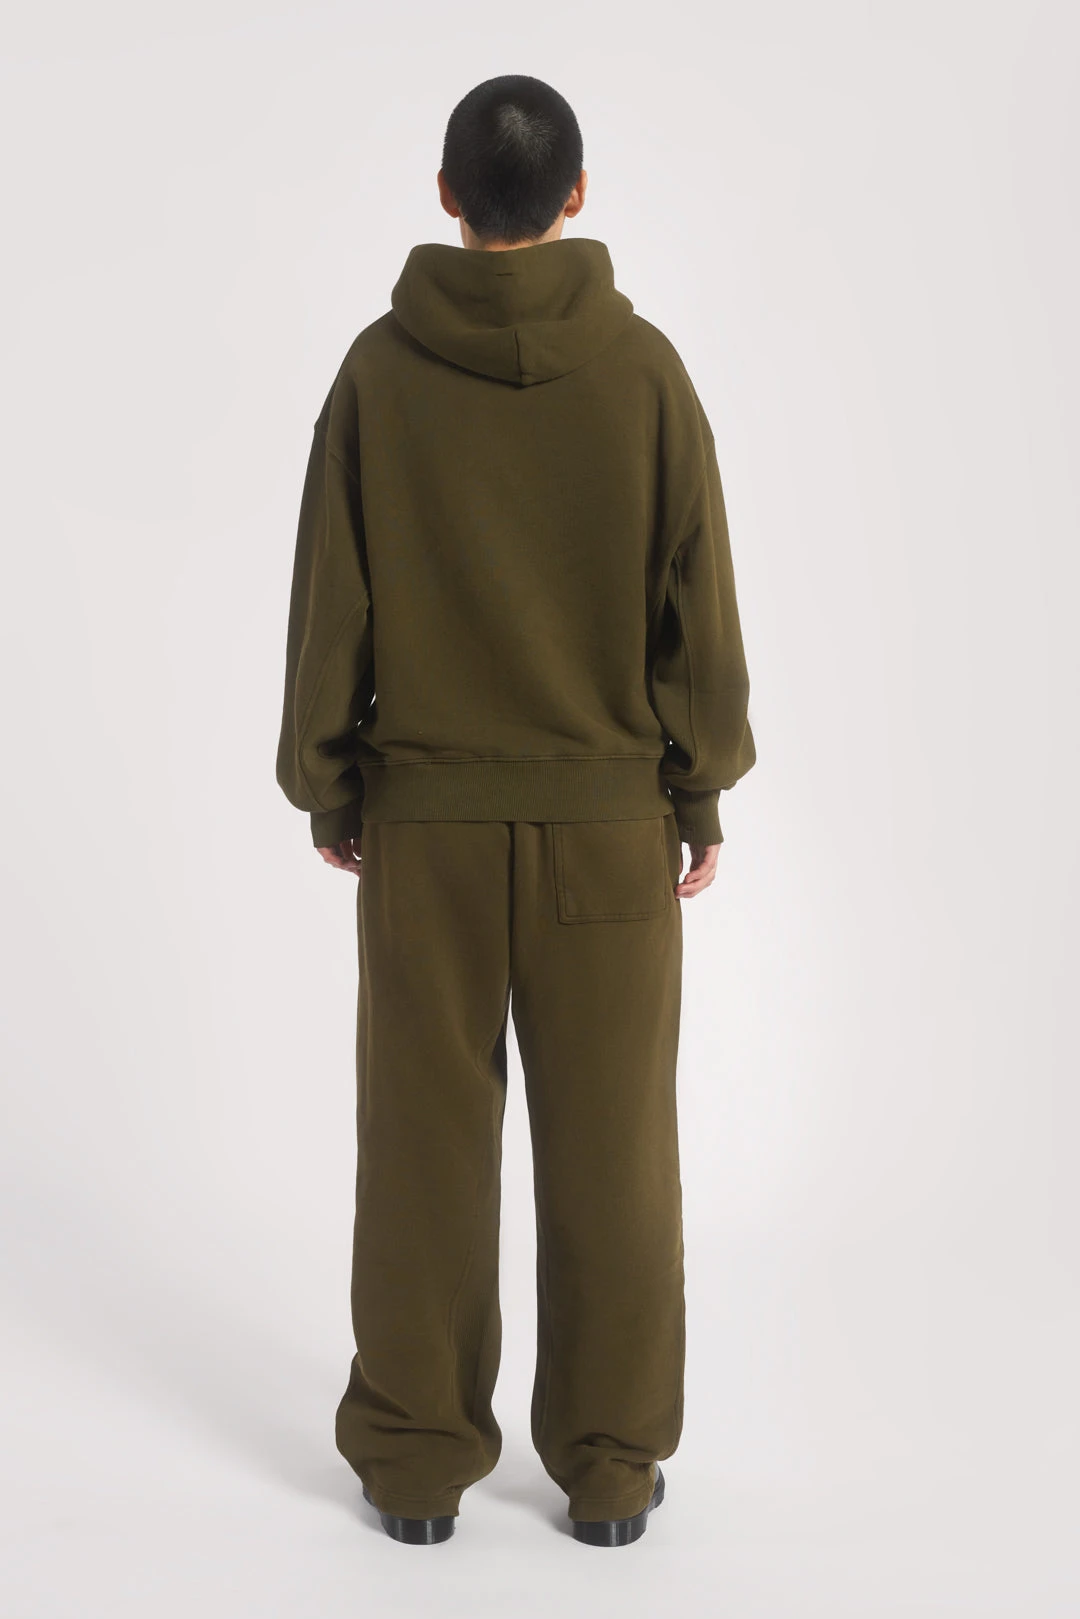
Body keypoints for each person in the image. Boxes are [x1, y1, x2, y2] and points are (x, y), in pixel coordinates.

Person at [275, 73, 756, 1548]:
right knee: (617, 1155)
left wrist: (329, 781)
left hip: (424, 832)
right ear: (578, 195)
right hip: (610, 830)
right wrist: (698, 787)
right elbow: (699, 612)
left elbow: (331, 605)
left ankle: (417, 1465)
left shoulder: (378, 375)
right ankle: (609, 1471)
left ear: (445, 196)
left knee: (422, 1147)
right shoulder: (648, 375)